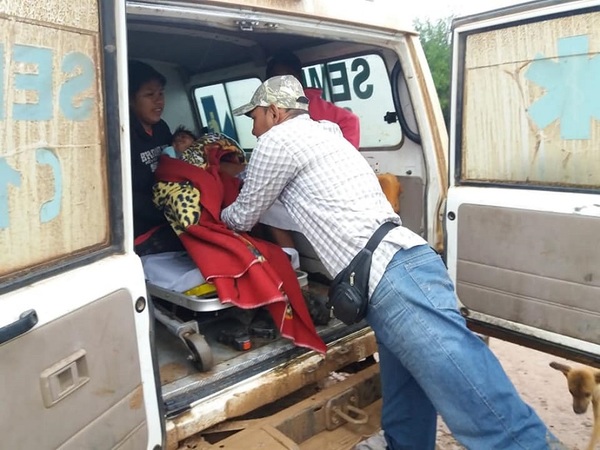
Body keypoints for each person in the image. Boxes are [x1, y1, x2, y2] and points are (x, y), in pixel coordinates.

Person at [220, 75, 567, 450]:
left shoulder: (277, 141)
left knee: (471, 391)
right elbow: (301, 208)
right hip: (405, 264)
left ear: (274, 112)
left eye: (253, 117)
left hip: (391, 278)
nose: (253, 130)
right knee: (406, 382)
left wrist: (212, 207)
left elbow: (242, 216)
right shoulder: (327, 133)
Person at [128, 60, 181, 254]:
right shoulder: (123, 135)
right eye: (150, 95)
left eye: (161, 93)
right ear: (131, 99)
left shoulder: (161, 128)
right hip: (143, 228)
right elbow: (127, 195)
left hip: (169, 216)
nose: (159, 101)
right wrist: (165, 214)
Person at [266, 49, 360, 149]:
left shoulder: (314, 106)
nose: (279, 84)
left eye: (285, 78)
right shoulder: (267, 109)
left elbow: (351, 120)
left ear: (298, 78)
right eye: (273, 79)